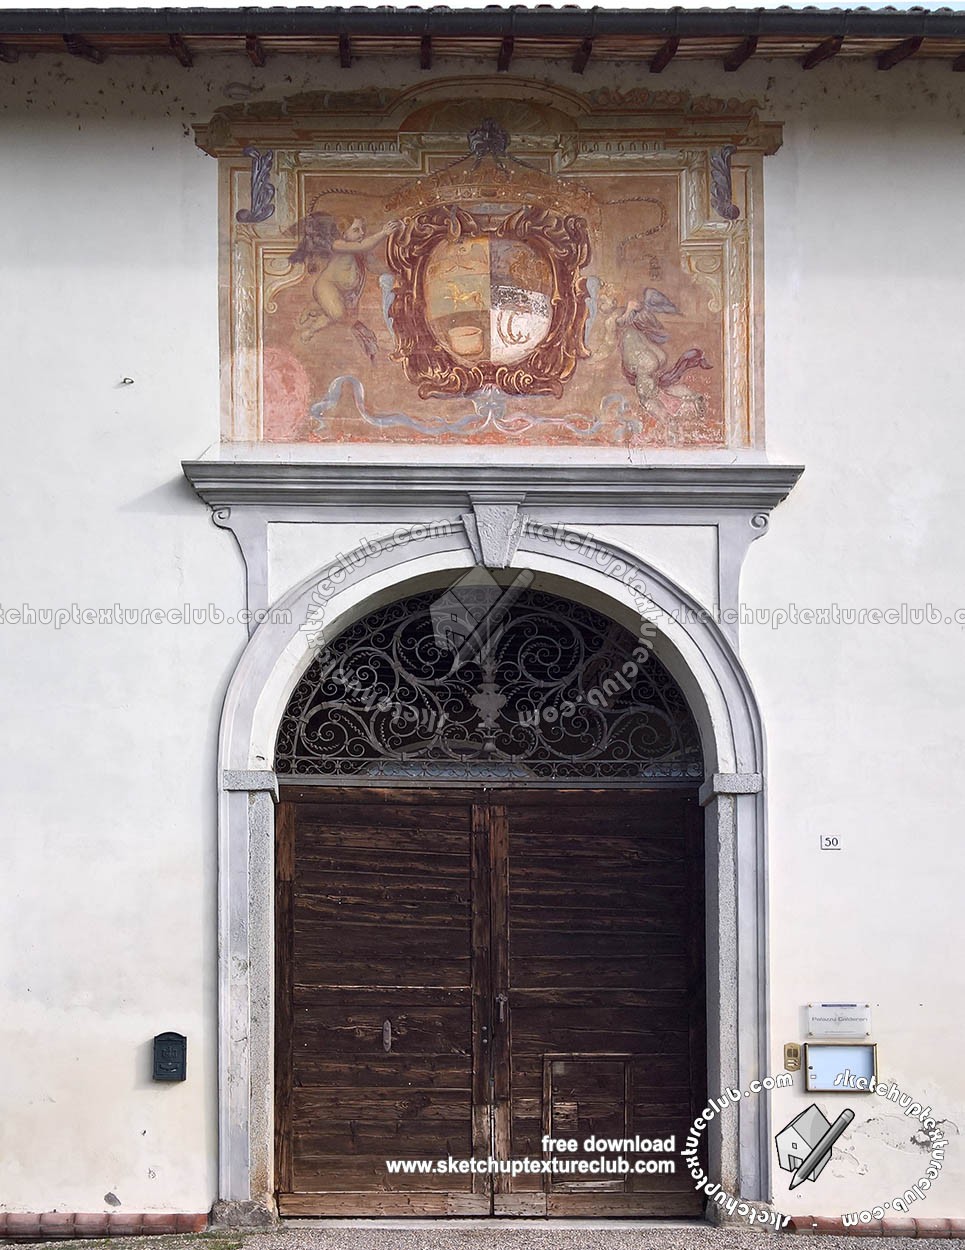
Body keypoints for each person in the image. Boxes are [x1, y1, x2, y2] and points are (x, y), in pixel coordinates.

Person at [289, 213, 401, 361]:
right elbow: (363, 245)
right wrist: (383, 233)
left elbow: (374, 265)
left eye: (363, 229)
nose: (362, 233)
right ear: (344, 234)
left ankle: (316, 309)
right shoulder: (338, 245)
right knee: (339, 315)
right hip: (327, 287)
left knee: (344, 316)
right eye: (356, 230)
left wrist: (396, 272)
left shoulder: (361, 250)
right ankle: (310, 329)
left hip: (344, 294)